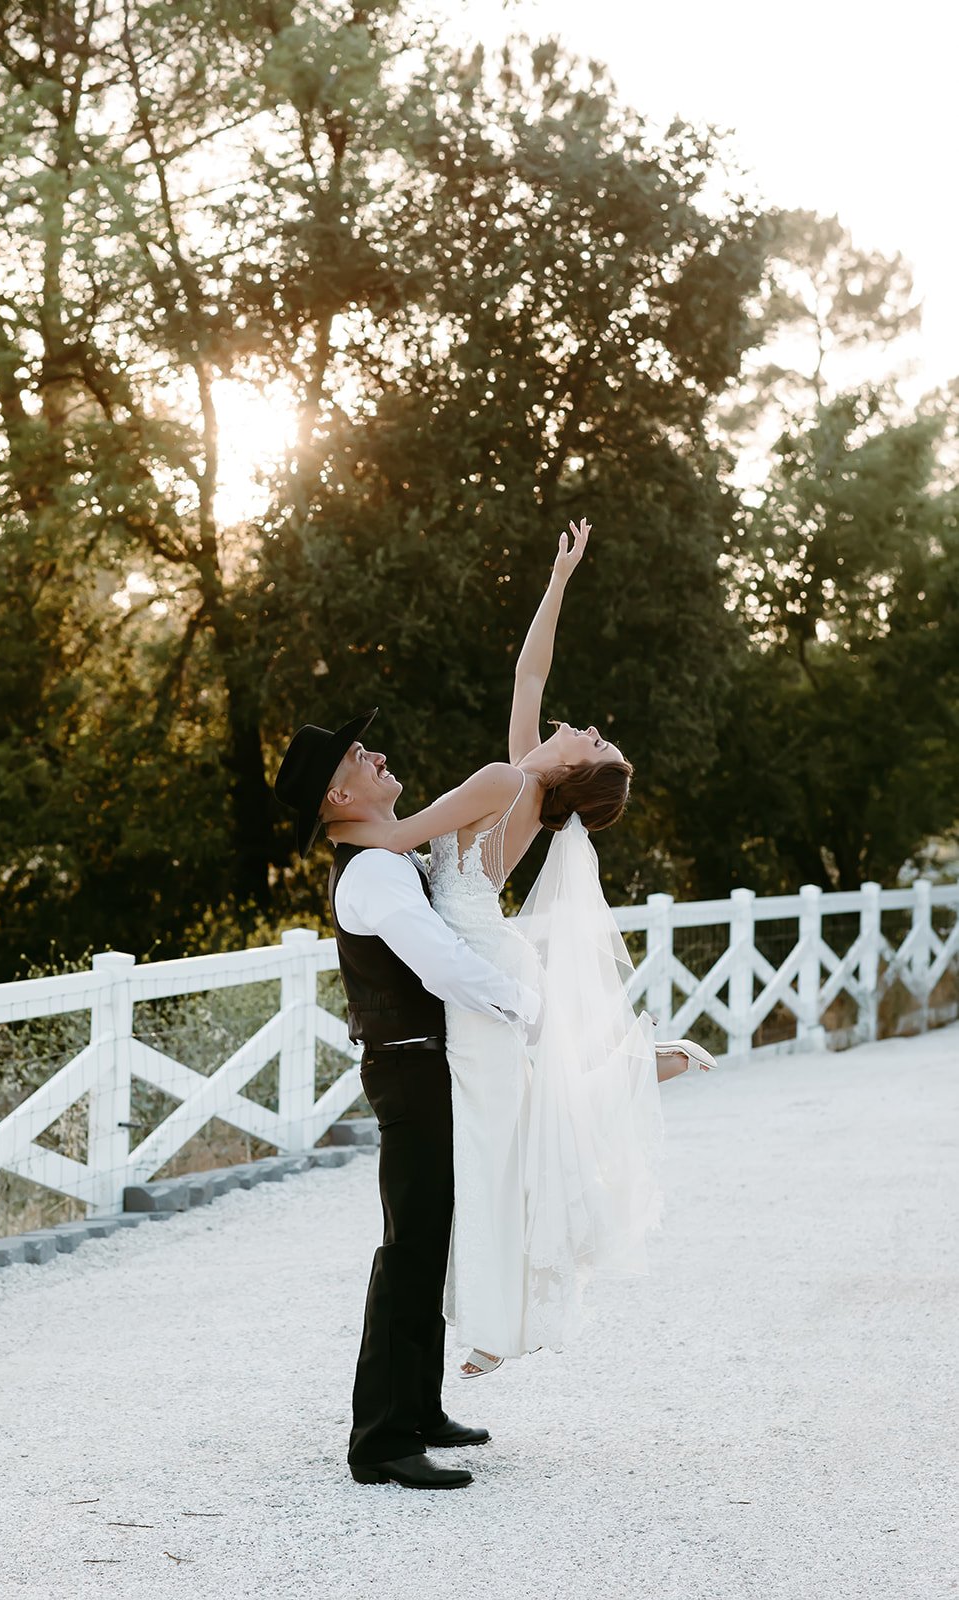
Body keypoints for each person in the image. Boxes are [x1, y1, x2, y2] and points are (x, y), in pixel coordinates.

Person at [327, 519, 714, 1378]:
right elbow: (527, 671)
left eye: (596, 742)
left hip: (480, 967)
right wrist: (560, 577)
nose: (588, 728)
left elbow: (402, 841)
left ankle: (497, 1326)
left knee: (499, 1143)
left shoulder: (508, 783)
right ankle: (626, 1072)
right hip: (494, 954)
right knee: (509, 1132)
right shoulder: (522, 787)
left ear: (573, 769)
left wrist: (343, 832)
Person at [274, 708, 542, 1491]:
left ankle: (419, 1410)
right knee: (410, 1245)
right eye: (359, 755)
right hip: (410, 1067)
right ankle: (381, 1441)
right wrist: (530, 1012)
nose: (378, 753)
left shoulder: (387, 859)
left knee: (429, 1232)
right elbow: (443, 967)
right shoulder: (374, 872)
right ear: (336, 800)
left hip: (432, 1063)